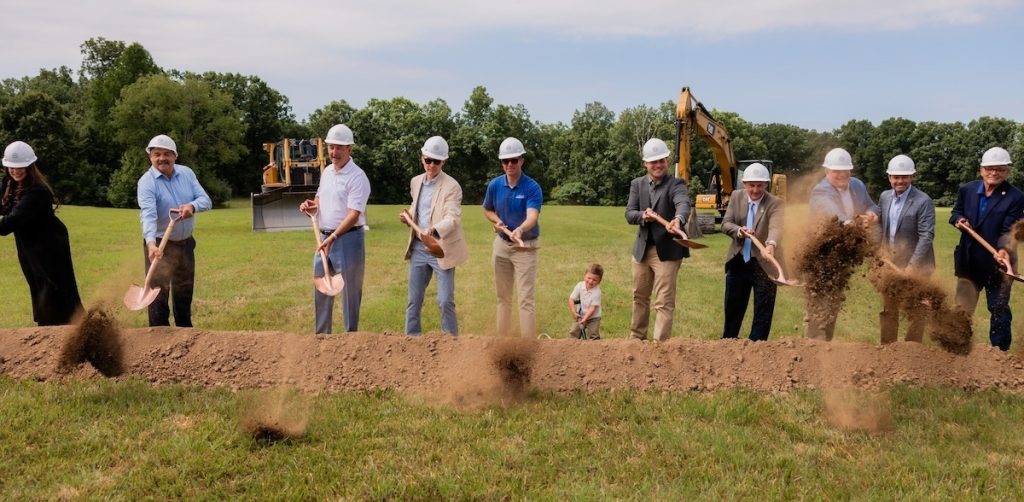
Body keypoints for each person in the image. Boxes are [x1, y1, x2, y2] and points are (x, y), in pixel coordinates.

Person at [0, 141, 83, 325]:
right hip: (29, 245)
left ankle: (69, 329)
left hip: (50, 245)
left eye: (20, 166)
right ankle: (47, 326)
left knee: (54, 287)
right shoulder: (9, 183)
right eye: (12, 167)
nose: (16, 171)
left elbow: (6, 225)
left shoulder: (37, 192)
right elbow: (3, 207)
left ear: (30, 166)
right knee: (37, 284)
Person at [950, 146, 1024, 351]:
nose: (994, 173)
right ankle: (959, 348)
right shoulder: (967, 190)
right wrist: (959, 220)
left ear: (1007, 171)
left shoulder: (1015, 197)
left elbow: (1009, 229)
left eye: (1000, 169)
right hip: (969, 261)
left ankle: (999, 354)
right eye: (990, 168)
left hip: (998, 265)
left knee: (998, 308)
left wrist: (1003, 250)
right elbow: (955, 212)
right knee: (963, 308)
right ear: (981, 169)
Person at [299, 124, 370, 334]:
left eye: (339, 148)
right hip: (324, 237)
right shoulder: (327, 172)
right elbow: (319, 200)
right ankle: (322, 338)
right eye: (331, 147)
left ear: (349, 148)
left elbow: (354, 213)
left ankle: (351, 338)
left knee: (350, 293)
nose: (334, 152)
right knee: (321, 288)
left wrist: (335, 236)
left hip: (348, 239)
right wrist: (310, 206)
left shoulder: (357, 177)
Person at [805, 147, 881, 341]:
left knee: (833, 301)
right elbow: (836, 216)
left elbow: (871, 205)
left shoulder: (857, 185)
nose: (840, 175)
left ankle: (825, 343)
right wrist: (855, 222)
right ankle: (813, 346)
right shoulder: (821, 191)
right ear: (826, 172)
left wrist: (872, 214)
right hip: (821, 256)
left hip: (842, 255)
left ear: (850, 171)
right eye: (835, 171)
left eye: (844, 171)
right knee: (819, 301)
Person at [137, 134, 212, 327]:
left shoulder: (187, 173)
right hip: (161, 247)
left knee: (184, 294)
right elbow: (148, 215)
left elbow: (206, 200)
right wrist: (151, 244)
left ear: (175, 156)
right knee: (158, 298)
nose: (162, 158)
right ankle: (159, 340)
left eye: (167, 154)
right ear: (150, 157)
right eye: (157, 154)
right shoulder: (146, 182)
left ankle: (185, 335)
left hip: (185, 244)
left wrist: (192, 207)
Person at [399, 136, 468, 335]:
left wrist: (434, 230)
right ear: (422, 158)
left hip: (440, 249)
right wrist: (408, 217)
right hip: (419, 249)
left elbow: (452, 217)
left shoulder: (452, 187)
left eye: (436, 161)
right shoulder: (416, 182)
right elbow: (418, 208)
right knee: (414, 299)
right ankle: (412, 338)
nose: (431, 165)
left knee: (445, 300)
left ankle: (451, 342)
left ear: (443, 161)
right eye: (428, 160)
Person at [625, 138, 690, 342]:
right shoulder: (637, 184)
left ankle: (660, 347)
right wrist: (642, 216)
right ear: (645, 164)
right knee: (639, 297)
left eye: (661, 160)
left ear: (667, 161)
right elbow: (629, 213)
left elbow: (683, 204)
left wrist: (678, 220)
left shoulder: (676, 184)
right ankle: (636, 339)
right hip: (642, 250)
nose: (658, 165)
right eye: (653, 162)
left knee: (663, 301)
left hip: (667, 252)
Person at [482, 137, 543, 338]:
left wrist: (520, 229)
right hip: (501, 245)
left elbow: (532, 216)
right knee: (503, 297)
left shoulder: (532, 187)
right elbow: (487, 210)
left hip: (525, 246)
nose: (509, 164)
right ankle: (503, 341)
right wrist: (496, 221)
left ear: (521, 160)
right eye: (505, 161)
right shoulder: (495, 185)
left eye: (513, 160)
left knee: (525, 298)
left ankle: (528, 346)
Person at [721, 163, 783, 341]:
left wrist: (771, 244)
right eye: (751, 185)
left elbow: (777, 227)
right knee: (733, 307)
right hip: (738, 261)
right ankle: (728, 343)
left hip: (763, 264)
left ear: (766, 185)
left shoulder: (775, 203)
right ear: (744, 183)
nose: (755, 190)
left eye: (760, 185)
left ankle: (758, 350)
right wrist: (739, 231)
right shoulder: (736, 196)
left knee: (763, 311)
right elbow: (726, 223)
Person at [878, 154, 936, 344]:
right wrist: (879, 249)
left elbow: (926, 235)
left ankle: (912, 352)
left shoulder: (923, 201)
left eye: (904, 177)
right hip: (891, 264)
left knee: (916, 309)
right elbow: (880, 227)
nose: (900, 181)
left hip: (918, 266)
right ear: (889, 177)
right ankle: (888, 347)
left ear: (912, 177)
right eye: (896, 177)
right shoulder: (885, 197)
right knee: (889, 308)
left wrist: (912, 266)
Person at [566, 263, 604, 340]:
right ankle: (573, 346)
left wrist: (585, 319)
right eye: (589, 278)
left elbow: (592, 308)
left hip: (593, 317)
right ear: (584, 275)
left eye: (594, 280)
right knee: (574, 332)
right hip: (580, 315)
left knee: (593, 335)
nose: (590, 281)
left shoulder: (597, 292)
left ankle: (595, 347)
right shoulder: (580, 286)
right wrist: (574, 313)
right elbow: (571, 299)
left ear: (599, 281)